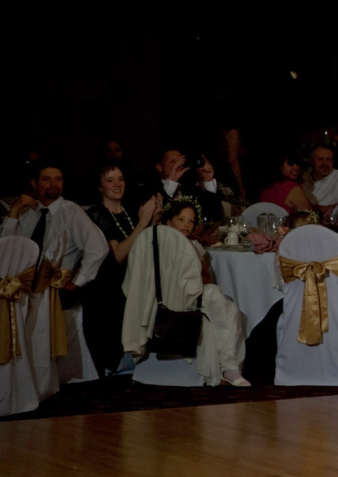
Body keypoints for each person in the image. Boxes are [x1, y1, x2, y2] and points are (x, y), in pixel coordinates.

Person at [161, 199, 251, 386]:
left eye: (191, 221)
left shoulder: (193, 245)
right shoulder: (160, 243)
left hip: (197, 292)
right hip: (171, 296)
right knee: (218, 299)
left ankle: (229, 367)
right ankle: (228, 366)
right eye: (181, 219)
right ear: (168, 222)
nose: (186, 225)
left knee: (227, 306)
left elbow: (205, 278)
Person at [84, 165, 161, 373]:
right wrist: (142, 224)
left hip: (133, 277)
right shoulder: (96, 214)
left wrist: (153, 220)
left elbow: (142, 244)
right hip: (107, 284)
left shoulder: (128, 211)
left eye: (120, 179)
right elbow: (118, 255)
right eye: (110, 180)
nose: (117, 185)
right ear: (100, 187)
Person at [2, 160, 107, 307]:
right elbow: (5, 248)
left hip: (57, 295)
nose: (54, 184)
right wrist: (13, 213)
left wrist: (77, 282)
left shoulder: (71, 213)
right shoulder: (27, 213)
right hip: (23, 294)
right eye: (47, 179)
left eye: (58, 179)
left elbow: (98, 248)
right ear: (34, 183)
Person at [142, 149, 225, 224]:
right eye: (173, 161)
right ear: (159, 167)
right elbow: (155, 219)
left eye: (180, 161)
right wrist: (171, 182)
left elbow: (215, 216)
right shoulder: (148, 190)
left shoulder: (192, 189)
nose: (178, 165)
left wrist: (208, 181)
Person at [260, 150, 315, 214]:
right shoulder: (292, 188)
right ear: (280, 166)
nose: (296, 167)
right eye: (291, 163)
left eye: (298, 163)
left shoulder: (265, 189)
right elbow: (310, 218)